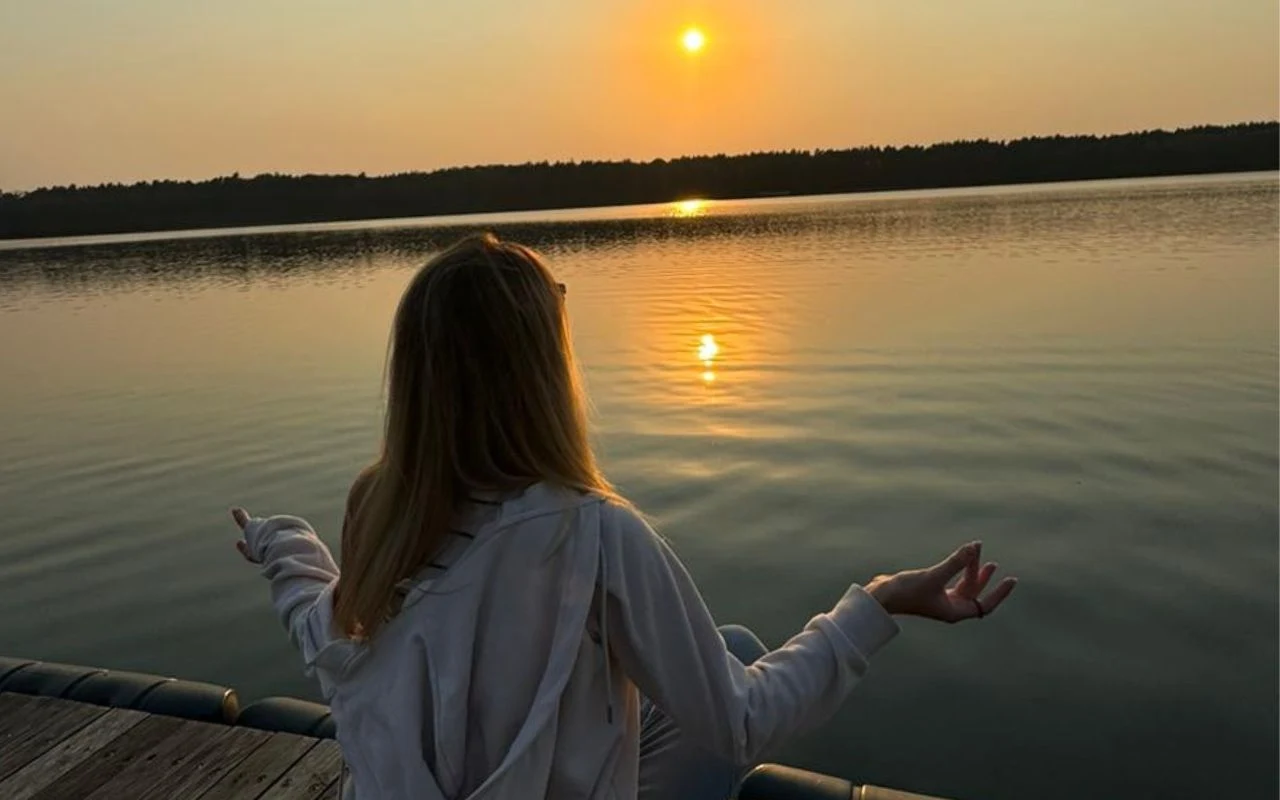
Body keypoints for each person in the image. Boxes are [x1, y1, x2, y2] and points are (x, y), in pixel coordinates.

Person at [228, 233, 1017, 800]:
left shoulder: (381, 505)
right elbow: (740, 725)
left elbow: (321, 627)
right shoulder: (590, 534)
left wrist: (280, 542)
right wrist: (878, 603)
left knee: (730, 646)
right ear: (539, 372)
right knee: (731, 675)